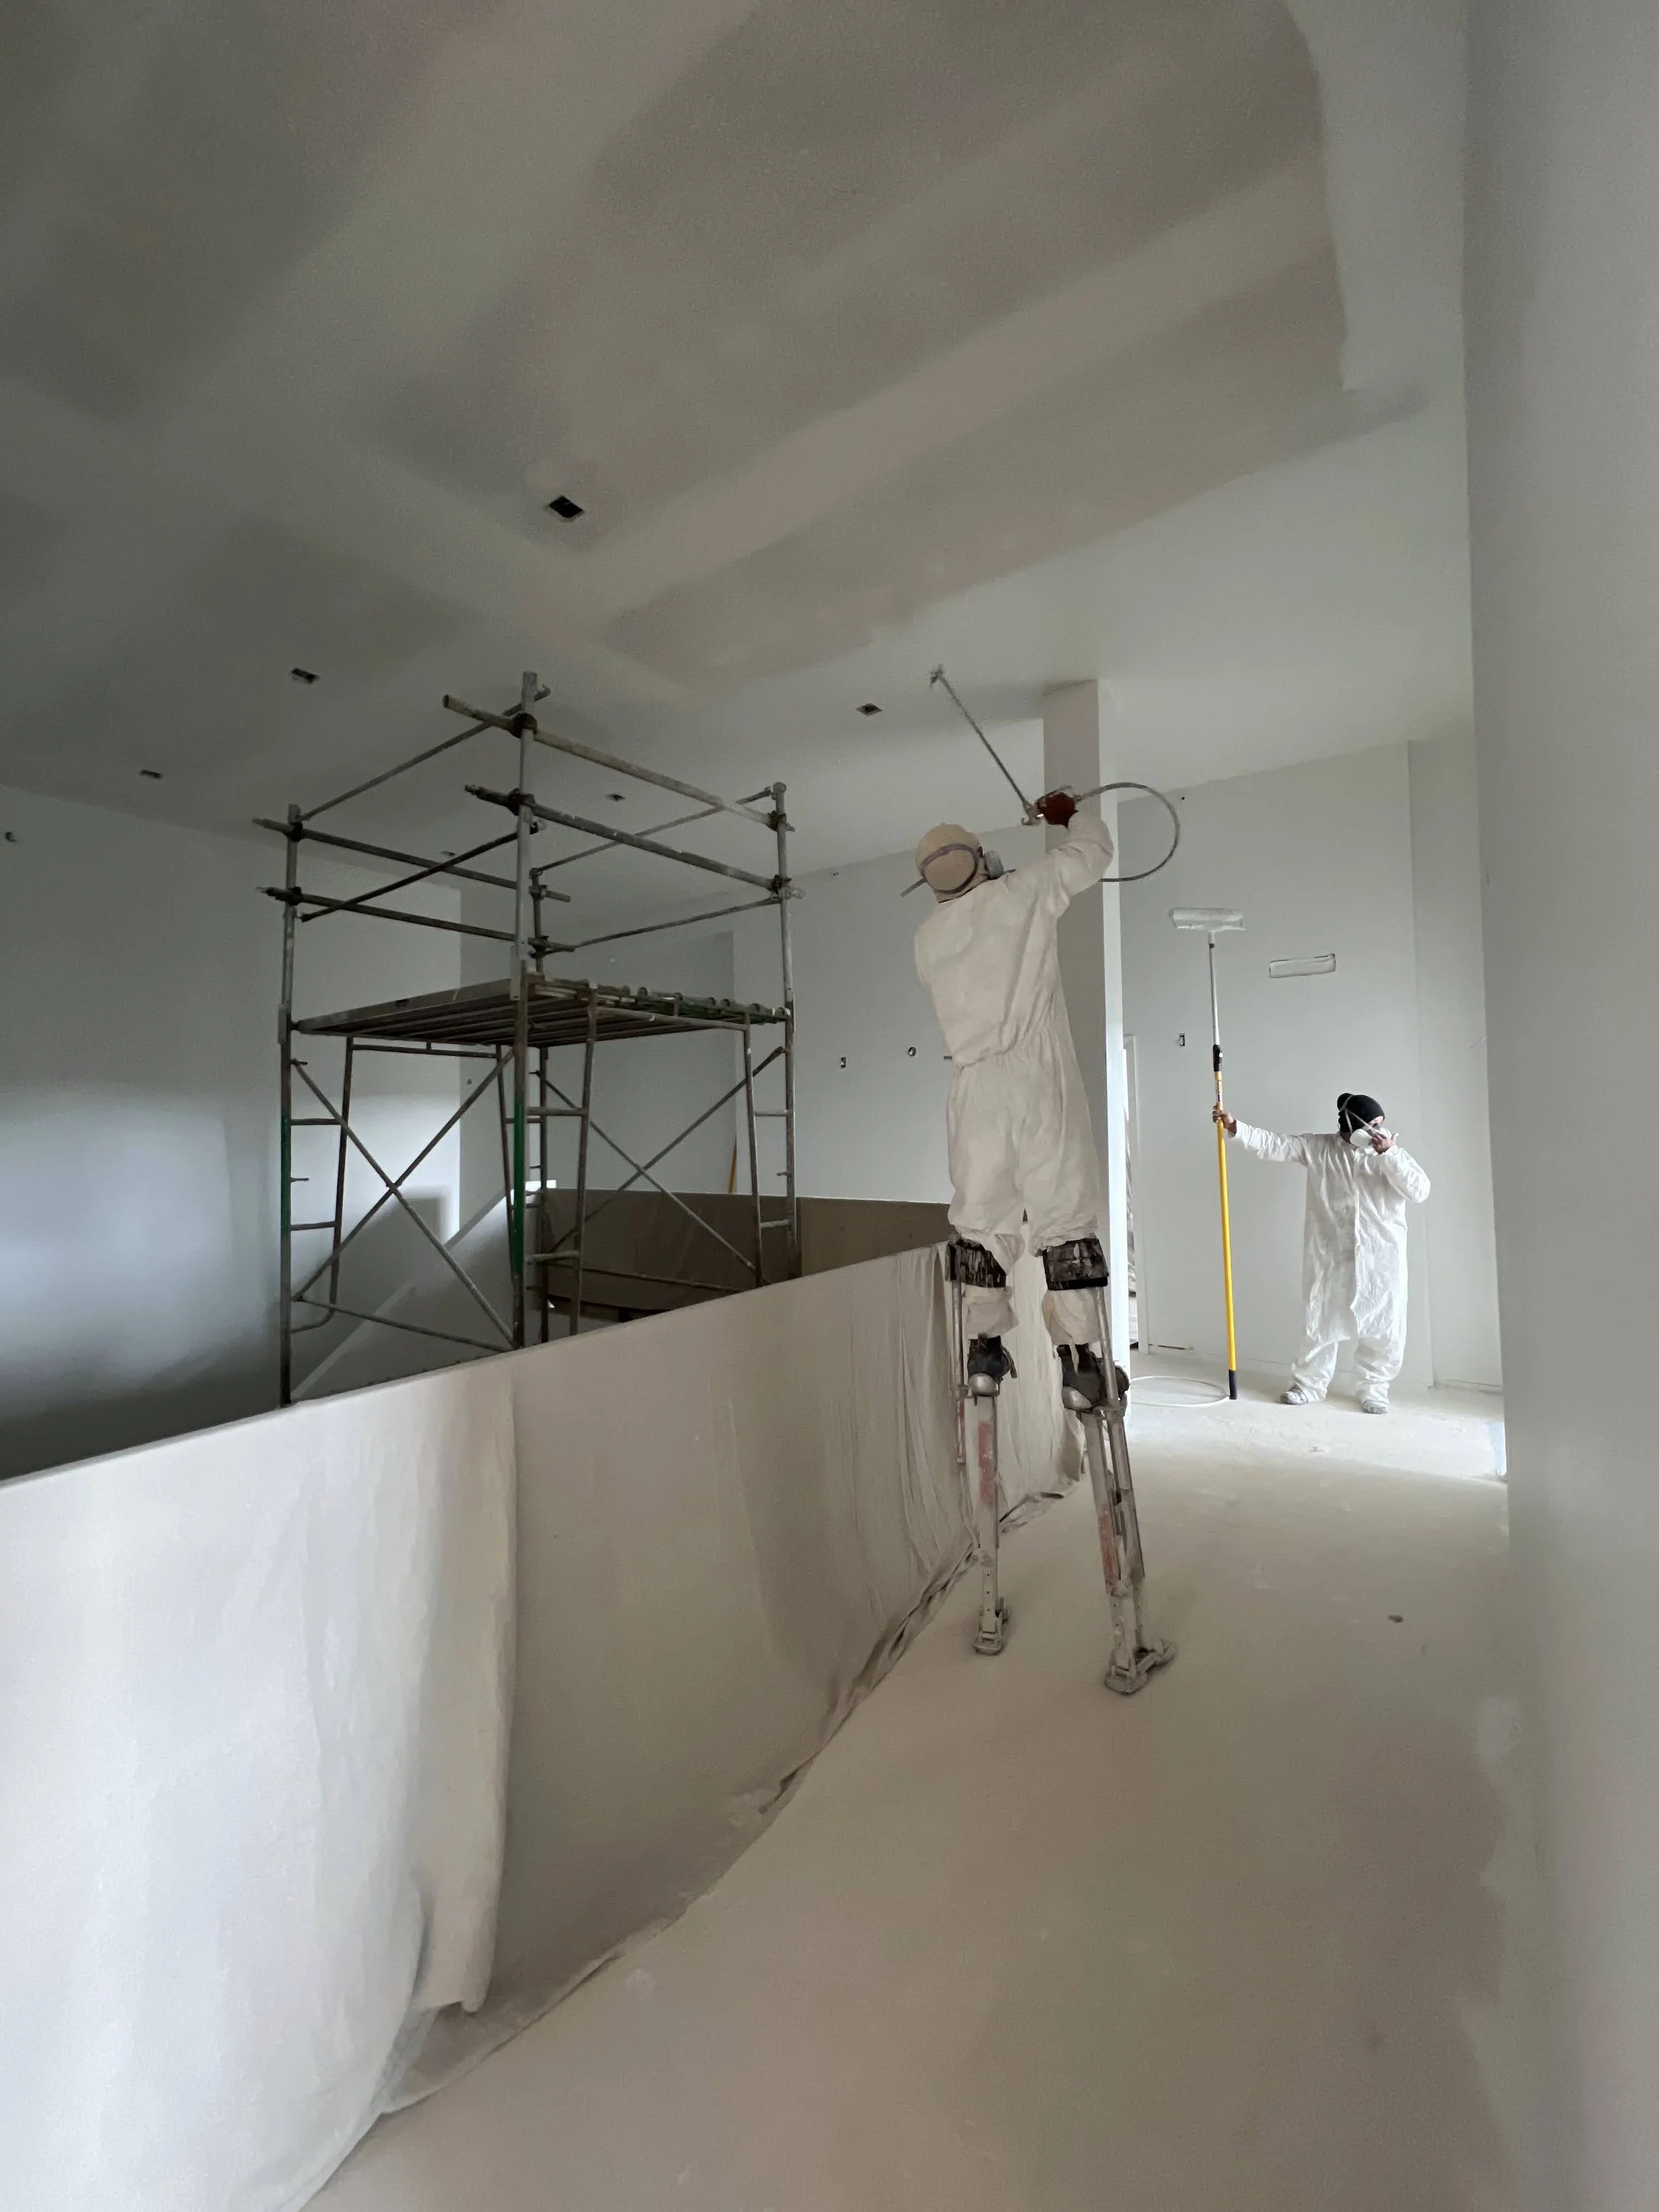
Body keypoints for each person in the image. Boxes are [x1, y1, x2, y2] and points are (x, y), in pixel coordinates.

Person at [912, 791, 1120, 1406]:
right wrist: (1069, 814)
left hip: (973, 1092)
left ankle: (983, 1351)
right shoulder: (1022, 892)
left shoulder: (926, 938)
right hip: (1038, 1079)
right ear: (982, 858)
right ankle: (1081, 1364)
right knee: (1064, 1218)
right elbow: (1094, 851)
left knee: (980, 1223)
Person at [1214, 1092, 1429, 1413]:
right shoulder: (1319, 1148)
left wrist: (1390, 1156)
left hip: (1381, 1257)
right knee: (1320, 1320)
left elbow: (1419, 1190)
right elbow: (1275, 1144)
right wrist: (1235, 1127)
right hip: (1330, 1253)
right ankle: (1309, 1385)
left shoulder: (1388, 1155)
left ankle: (1374, 1388)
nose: (1378, 1131)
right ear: (1351, 1123)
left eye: (1380, 1124)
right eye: (1371, 1124)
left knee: (1384, 1324)